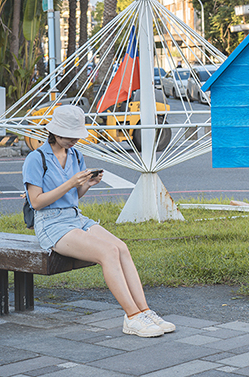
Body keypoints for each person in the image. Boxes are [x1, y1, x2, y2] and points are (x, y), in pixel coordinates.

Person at [23, 105, 174, 338]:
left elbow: (75, 196)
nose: (74, 140)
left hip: (75, 217)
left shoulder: (76, 155)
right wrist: (72, 183)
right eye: (69, 136)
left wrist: (86, 184)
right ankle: (132, 317)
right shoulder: (36, 158)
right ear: (55, 132)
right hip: (51, 224)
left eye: (76, 136)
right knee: (108, 252)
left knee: (121, 248)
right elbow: (36, 202)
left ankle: (144, 311)